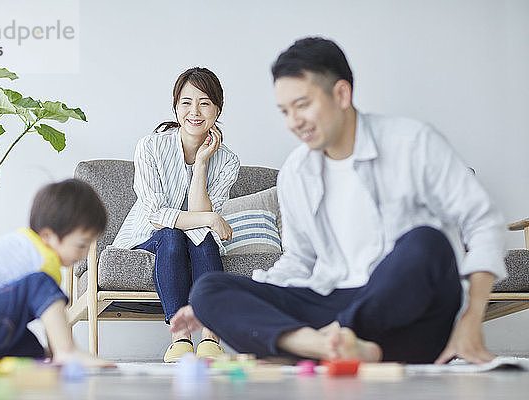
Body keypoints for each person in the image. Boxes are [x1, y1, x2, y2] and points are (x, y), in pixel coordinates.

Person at [170, 38, 506, 364]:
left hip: (410, 312)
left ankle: (331, 338)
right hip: (335, 301)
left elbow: (482, 221)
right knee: (208, 290)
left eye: (302, 105)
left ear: (341, 94)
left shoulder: (412, 142)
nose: (293, 122)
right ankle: (334, 347)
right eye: (285, 111)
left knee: (427, 242)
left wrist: (472, 318)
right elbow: (299, 261)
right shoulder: (296, 171)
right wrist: (222, 303)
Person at [111, 67, 240, 362]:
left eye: (204, 102)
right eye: (186, 102)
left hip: (194, 238)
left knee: (202, 239)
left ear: (218, 109)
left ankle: (211, 339)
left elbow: (198, 218)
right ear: (175, 106)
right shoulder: (151, 147)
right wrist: (210, 218)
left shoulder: (228, 161)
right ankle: (180, 339)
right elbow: (156, 216)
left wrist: (202, 163)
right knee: (171, 235)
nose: (194, 111)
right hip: (148, 237)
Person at [0, 179, 111, 366]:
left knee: (34, 352)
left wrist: (53, 354)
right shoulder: (39, 257)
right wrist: (63, 351)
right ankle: (67, 350)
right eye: (81, 245)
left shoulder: (25, 248)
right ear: (48, 236)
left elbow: (49, 323)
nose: (84, 254)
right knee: (40, 283)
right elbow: (52, 316)